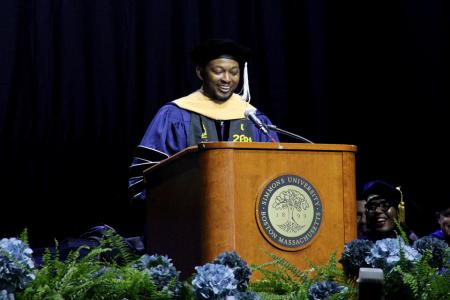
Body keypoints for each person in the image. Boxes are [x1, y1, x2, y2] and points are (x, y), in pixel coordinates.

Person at [129, 39, 279, 200]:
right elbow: (146, 176)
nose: (227, 79)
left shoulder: (255, 120)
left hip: (247, 216)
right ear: (201, 72)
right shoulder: (175, 115)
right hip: (186, 216)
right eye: (218, 71)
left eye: (234, 72)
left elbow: (275, 172)